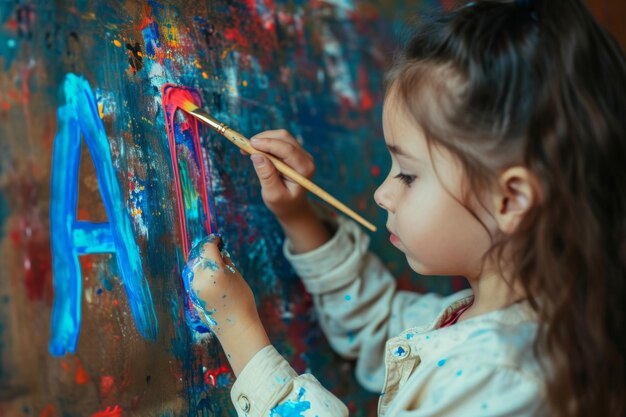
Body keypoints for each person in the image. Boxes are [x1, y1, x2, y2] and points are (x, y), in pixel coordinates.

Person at [182, 0, 626, 415]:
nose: (382, 193)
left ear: (511, 200)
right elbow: (378, 327)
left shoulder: (500, 381)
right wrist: (299, 218)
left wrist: (240, 333)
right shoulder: (487, 315)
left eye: (408, 175)